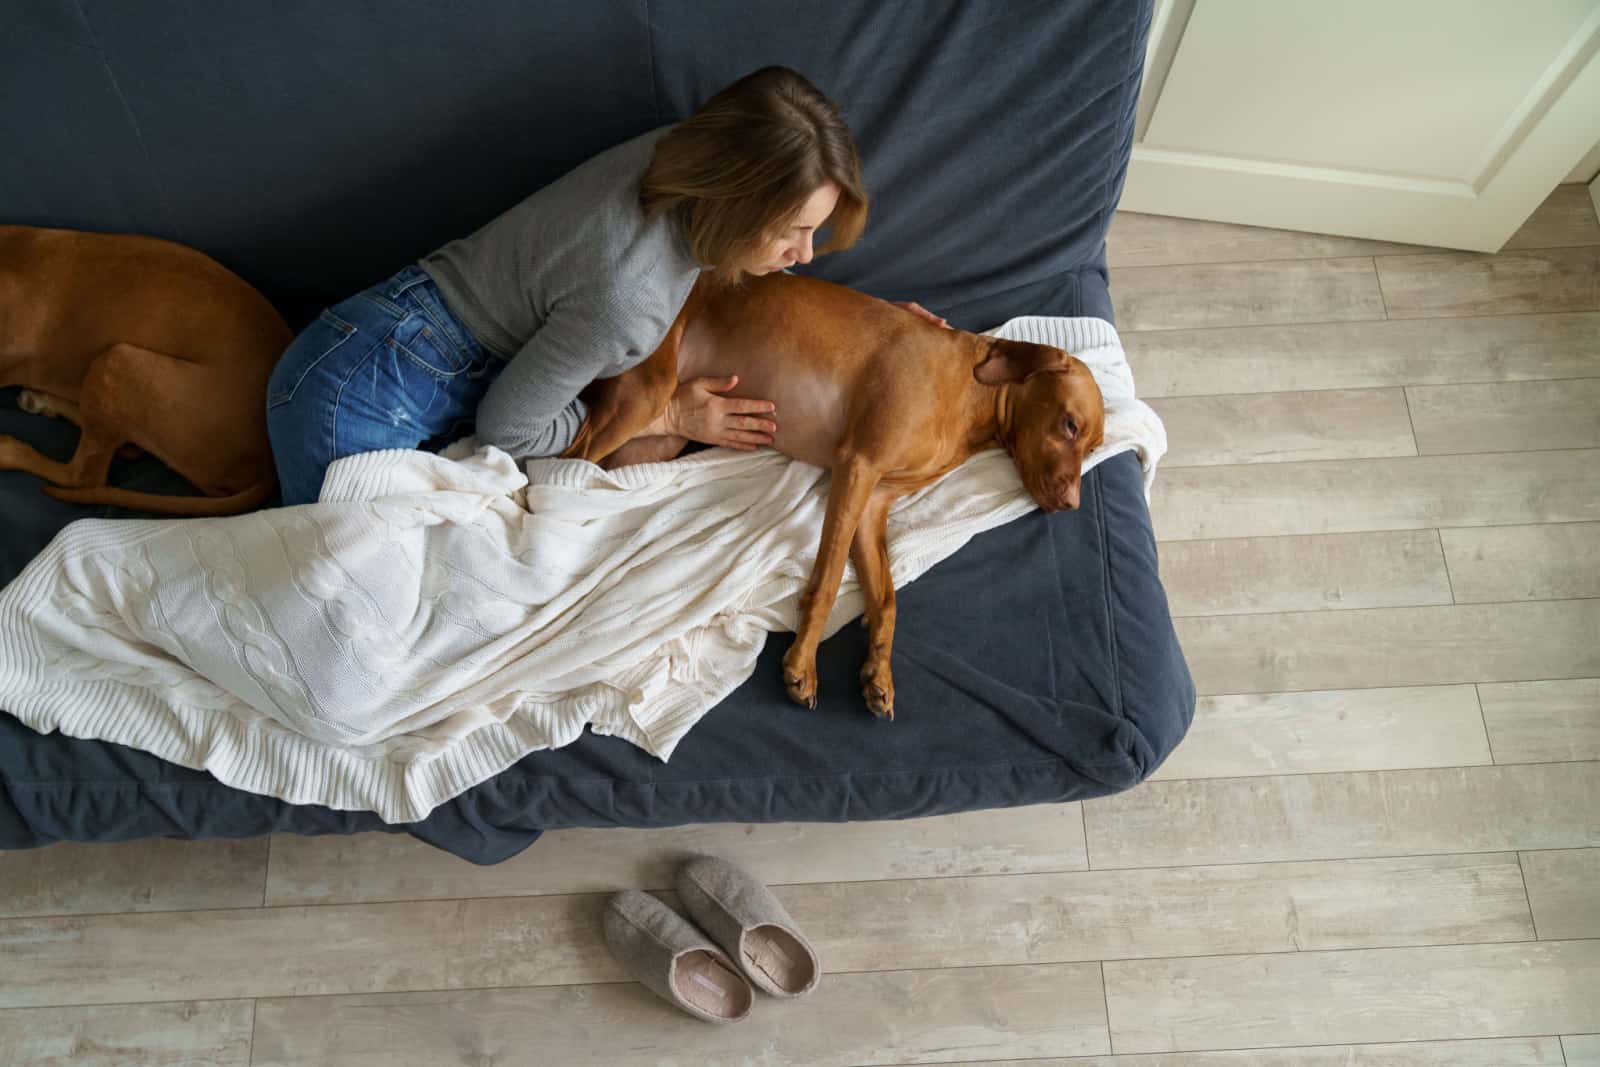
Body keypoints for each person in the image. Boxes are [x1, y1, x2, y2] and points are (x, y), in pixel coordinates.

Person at [265, 65, 948, 506]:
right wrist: (667, 415)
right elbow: (508, 430)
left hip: (388, 339)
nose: (802, 255)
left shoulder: (686, 153)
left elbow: (741, 267)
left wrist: (882, 332)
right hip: (356, 394)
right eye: (792, 232)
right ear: (735, 203)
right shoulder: (629, 294)